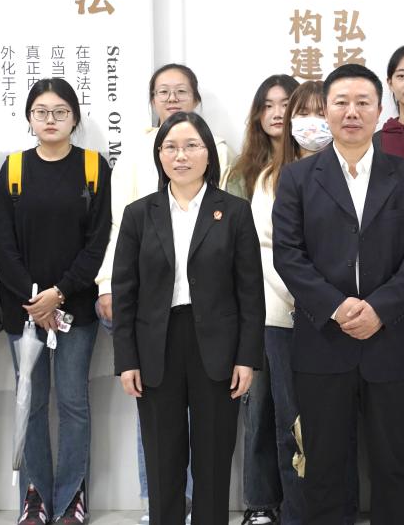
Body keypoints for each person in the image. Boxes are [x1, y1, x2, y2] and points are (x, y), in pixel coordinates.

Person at [272, 64, 404, 525]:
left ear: (380, 110)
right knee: (324, 467)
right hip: (323, 341)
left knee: (393, 465)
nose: (352, 112)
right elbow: (288, 255)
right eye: (341, 102)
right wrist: (336, 306)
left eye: (363, 102)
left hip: (392, 340)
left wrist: (379, 309)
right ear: (325, 110)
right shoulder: (298, 178)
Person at [112, 111, 265, 525]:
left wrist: (247, 358)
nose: (181, 156)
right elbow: (125, 293)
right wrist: (126, 360)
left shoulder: (233, 211)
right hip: (156, 346)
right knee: (162, 460)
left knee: (213, 460)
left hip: (216, 347)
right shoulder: (139, 214)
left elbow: (250, 293)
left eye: (191, 146)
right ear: (159, 155)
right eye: (171, 147)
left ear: (208, 154)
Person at [95, 62, 229, 522]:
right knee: (159, 436)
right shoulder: (137, 169)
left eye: (181, 91)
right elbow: (119, 230)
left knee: (211, 442)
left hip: (211, 322)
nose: (172, 99)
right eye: (163, 92)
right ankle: (164, 509)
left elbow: (241, 270)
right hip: (154, 318)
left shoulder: (223, 164)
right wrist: (107, 285)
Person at [0, 78, 112, 525]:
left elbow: (99, 243)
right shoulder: (13, 169)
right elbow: (1, 244)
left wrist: (59, 293)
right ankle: (36, 495)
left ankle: (72, 496)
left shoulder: (94, 168)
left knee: (74, 403)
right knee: (32, 402)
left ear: (74, 118)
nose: (50, 119)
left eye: (60, 112)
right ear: (29, 118)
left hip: (75, 309)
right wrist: (34, 297)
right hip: (23, 311)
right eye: (41, 112)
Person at [253, 80, 357, 525]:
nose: (311, 123)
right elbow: (270, 252)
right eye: (302, 113)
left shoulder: (353, 173)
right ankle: (297, 514)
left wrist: (335, 305)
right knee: (291, 426)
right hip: (285, 318)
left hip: (342, 320)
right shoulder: (270, 179)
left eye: (320, 111)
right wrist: (307, 298)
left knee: (338, 427)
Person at [227, 74, 299, 525]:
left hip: (303, 306)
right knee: (258, 409)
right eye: (267, 105)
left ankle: (298, 501)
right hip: (254, 305)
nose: (276, 113)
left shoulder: (314, 163)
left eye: (286, 103)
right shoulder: (243, 173)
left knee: (295, 412)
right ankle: (259, 502)